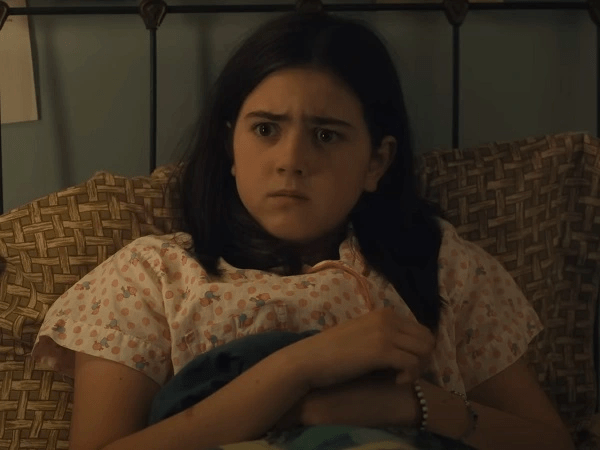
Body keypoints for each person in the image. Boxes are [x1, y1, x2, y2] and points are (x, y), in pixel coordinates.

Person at [31, 2, 574, 450]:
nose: (291, 160)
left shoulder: (442, 267)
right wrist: (300, 369)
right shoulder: (151, 278)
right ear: (230, 147)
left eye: (325, 135)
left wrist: (410, 405)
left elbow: (550, 442)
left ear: (376, 162)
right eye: (266, 129)